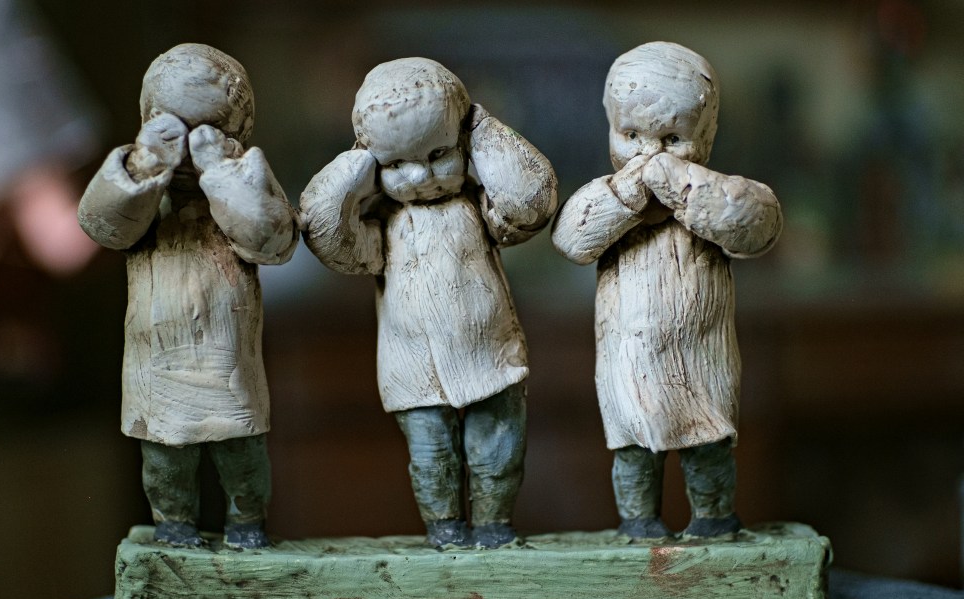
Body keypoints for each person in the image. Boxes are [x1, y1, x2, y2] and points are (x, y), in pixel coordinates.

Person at [301, 57, 557, 548]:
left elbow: (530, 204)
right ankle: (444, 530)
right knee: (432, 457)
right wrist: (352, 168)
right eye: (397, 164)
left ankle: (494, 526)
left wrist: (484, 131)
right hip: (413, 365)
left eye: (439, 153)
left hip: (490, 354)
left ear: (462, 142)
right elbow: (329, 238)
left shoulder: (475, 210)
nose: (420, 175)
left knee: (498, 452)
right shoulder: (385, 228)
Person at [552, 42, 783, 539]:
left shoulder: (716, 195)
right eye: (630, 135)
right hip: (629, 360)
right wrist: (629, 192)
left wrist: (689, 190)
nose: (648, 154)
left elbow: (760, 225)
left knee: (709, 444)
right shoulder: (609, 198)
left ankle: (714, 521)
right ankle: (639, 526)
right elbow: (572, 237)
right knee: (634, 450)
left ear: (708, 132)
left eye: (672, 138)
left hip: (703, 356)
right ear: (609, 126)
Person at [77, 44, 300, 549]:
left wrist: (221, 175)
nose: (186, 141)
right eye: (170, 122)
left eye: (207, 127)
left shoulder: (245, 176)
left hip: (226, 354)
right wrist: (144, 165)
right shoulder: (139, 183)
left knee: (242, 455)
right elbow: (101, 225)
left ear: (237, 129)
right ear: (147, 118)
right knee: (165, 460)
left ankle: (248, 527)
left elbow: (275, 240)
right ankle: (174, 530)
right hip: (156, 356)